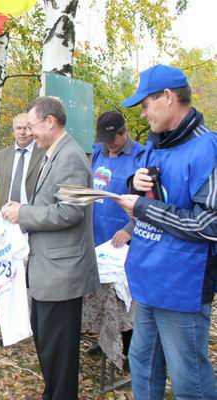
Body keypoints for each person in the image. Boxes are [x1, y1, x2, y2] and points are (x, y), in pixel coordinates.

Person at [114, 64, 217, 399]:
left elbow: (209, 225)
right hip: (149, 277)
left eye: (145, 105)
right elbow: (157, 192)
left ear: (169, 98)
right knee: (141, 361)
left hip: (183, 285)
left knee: (188, 377)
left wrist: (144, 208)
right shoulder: (156, 145)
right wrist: (135, 183)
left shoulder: (208, 149)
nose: (143, 114)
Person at [2, 97, 99, 400]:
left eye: (32, 126)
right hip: (49, 271)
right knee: (48, 344)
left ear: (50, 122)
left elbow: (71, 212)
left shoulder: (70, 156)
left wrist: (25, 214)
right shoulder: (52, 153)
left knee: (59, 350)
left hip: (63, 273)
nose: (29, 133)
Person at [92, 111, 145, 247]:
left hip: (124, 241)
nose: (108, 144)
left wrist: (130, 230)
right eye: (105, 140)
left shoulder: (141, 157)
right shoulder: (96, 154)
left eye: (112, 139)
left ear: (124, 132)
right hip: (94, 236)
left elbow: (149, 203)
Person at [0, 113, 44, 211]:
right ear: (13, 130)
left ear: (32, 131)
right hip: (6, 216)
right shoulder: (1, 155)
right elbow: (2, 187)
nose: (22, 132)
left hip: (32, 216)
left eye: (26, 128)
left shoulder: (43, 154)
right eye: (18, 128)